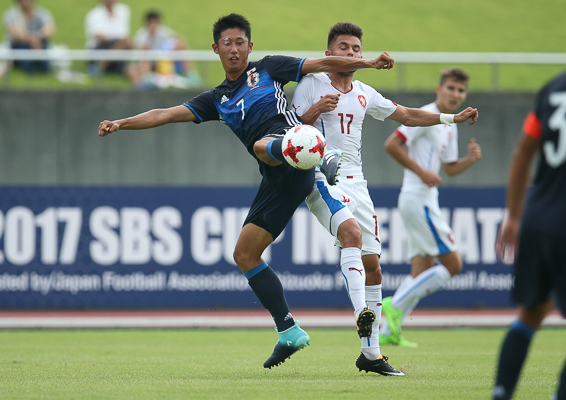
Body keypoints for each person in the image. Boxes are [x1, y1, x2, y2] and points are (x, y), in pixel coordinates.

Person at [98, 13, 397, 369]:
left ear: (250, 47)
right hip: (274, 178)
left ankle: (316, 152)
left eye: (241, 42)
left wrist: (366, 62)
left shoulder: (269, 68)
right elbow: (165, 113)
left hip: (294, 161)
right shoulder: (215, 99)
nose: (235, 49)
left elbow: (323, 62)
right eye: (228, 43)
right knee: (244, 254)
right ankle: (288, 330)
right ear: (216, 49)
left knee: (264, 146)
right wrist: (122, 123)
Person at [290, 23, 478, 375]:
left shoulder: (364, 92)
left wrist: (452, 117)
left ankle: (371, 354)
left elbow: (407, 115)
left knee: (374, 265)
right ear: (329, 51)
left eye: (356, 48)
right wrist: (314, 110)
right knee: (351, 236)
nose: (351, 53)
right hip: (320, 177)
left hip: (357, 183)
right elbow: (291, 132)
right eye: (343, 47)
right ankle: (361, 309)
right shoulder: (310, 84)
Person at [492, 1, 566, 398]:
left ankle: (501, 392)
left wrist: (514, 217)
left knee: (530, 314)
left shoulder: (555, 87)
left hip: (537, 217)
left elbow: (523, 151)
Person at [380, 68, 481, 347]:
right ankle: (395, 304)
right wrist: (422, 172)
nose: (455, 94)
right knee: (453, 264)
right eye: (451, 88)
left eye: (461, 91)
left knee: (421, 269)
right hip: (417, 197)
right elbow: (392, 144)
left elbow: (449, 168)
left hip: (423, 199)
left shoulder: (449, 124)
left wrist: (469, 160)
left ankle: (388, 332)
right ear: (439, 89)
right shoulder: (424, 114)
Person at [127, 10, 201, 89]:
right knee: (144, 58)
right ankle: (145, 80)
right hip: (146, 62)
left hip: (163, 61)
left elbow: (179, 40)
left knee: (182, 46)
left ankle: (191, 74)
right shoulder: (141, 34)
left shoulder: (163, 31)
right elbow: (142, 51)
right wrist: (151, 37)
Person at [3, 0, 55, 73]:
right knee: (27, 66)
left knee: (45, 66)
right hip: (19, 44)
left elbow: (50, 29)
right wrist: (31, 40)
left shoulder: (41, 13)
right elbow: (14, 32)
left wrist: (36, 38)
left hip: (39, 43)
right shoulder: (12, 14)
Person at [84, 0, 132, 76]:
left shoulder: (124, 11)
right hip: (100, 47)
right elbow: (98, 36)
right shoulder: (94, 14)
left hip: (118, 45)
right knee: (124, 43)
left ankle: (103, 65)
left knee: (127, 43)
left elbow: (124, 34)